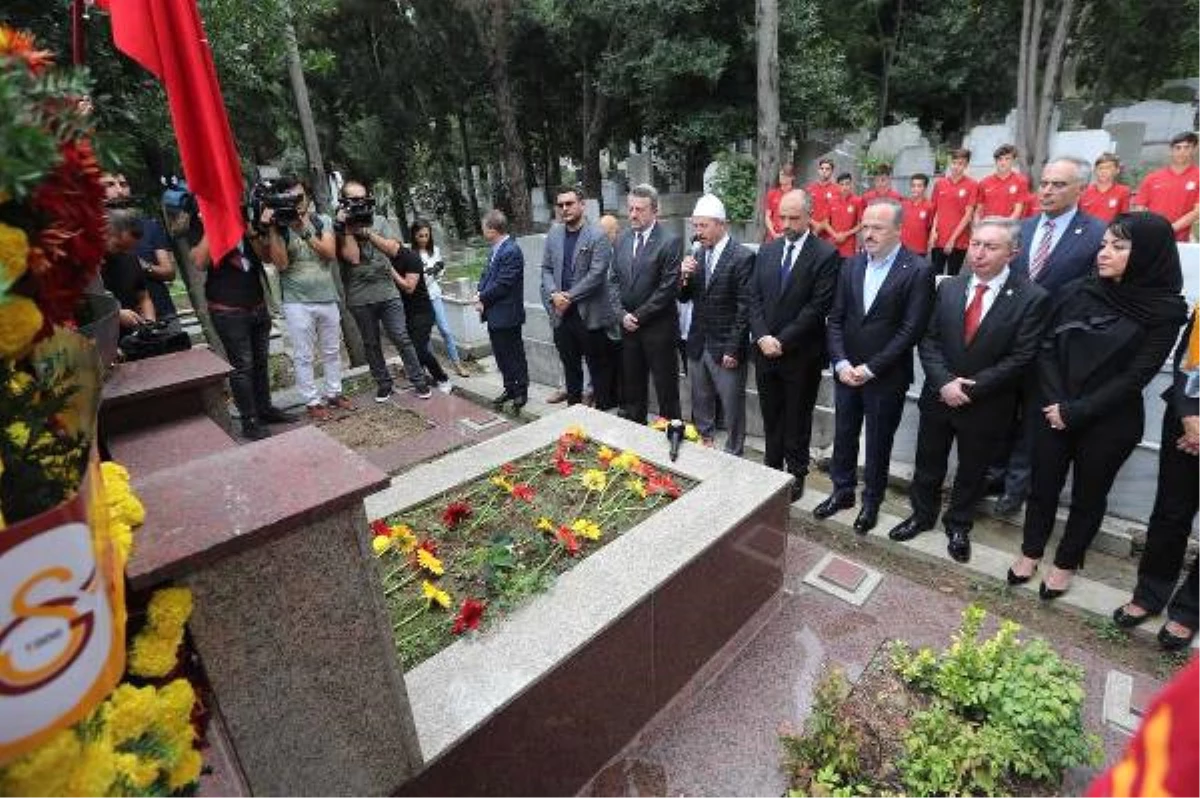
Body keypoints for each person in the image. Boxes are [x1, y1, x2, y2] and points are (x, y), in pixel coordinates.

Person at [1009, 213, 1188, 600]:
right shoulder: (1078, 290)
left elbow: (1135, 377)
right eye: (1104, 244)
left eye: (1118, 247)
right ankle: (1031, 551)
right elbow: (1045, 346)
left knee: (1089, 496)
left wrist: (1076, 412)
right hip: (1052, 410)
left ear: (1147, 255)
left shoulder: (1165, 311)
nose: (1104, 253)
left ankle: (1067, 562)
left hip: (1109, 420)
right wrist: (1057, 403)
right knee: (1042, 487)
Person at [889, 218, 1049, 563]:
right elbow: (928, 340)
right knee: (928, 460)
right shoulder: (948, 287)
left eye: (990, 246)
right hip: (940, 395)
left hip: (987, 402)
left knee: (973, 468)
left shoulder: (1032, 297)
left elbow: (1022, 356)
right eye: (976, 244)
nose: (979, 253)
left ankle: (959, 523)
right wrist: (944, 382)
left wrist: (971, 389)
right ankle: (921, 514)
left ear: (1012, 252)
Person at [991, 157, 1108, 514]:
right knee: (1000, 409)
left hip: (1056, 346)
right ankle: (992, 473)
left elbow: (1095, 292)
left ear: (1081, 190)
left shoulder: (1096, 234)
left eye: (1058, 185)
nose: (1047, 191)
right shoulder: (1020, 229)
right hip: (1008, 340)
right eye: (1044, 183)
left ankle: (1016, 486)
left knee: (1034, 420)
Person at [818, 199, 935, 531]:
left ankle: (871, 502)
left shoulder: (917, 270)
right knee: (844, 435)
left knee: (878, 443)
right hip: (845, 372)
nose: (868, 234)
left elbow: (910, 330)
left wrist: (870, 368)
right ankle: (842, 492)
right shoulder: (851, 265)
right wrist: (840, 362)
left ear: (899, 229)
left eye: (877, 228)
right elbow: (836, 319)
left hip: (885, 376)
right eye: (865, 226)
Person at [1112, 306, 1200, 651]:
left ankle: (1191, 609)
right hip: (1187, 424)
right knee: (1170, 513)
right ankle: (1150, 593)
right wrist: (1191, 418)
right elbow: (1186, 361)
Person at [748, 189, 839, 499]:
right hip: (764, 352)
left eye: (793, 218)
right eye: (781, 216)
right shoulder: (768, 251)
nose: (785, 223)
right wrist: (762, 336)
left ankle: (796, 471)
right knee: (770, 414)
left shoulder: (826, 255)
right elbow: (754, 298)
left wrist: (782, 340)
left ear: (809, 217)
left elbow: (817, 307)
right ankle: (771, 467)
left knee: (797, 417)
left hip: (801, 355)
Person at [191, 221, 297, 440]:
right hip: (227, 308)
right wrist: (216, 222)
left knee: (260, 362)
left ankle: (264, 409)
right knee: (242, 366)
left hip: (256, 303)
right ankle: (249, 420)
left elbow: (265, 258)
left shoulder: (246, 221)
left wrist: (253, 233)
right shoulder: (203, 221)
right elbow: (200, 262)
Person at [259, 176, 350, 421]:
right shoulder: (280, 227)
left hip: (327, 296)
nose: (297, 202)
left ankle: (334, 392)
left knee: (332, 350)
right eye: (291, 198)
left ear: (307, 197)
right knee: (303, 354)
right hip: (296, 301)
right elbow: (280, 264)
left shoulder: (323, 220)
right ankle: (311, 400)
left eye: (300, 196)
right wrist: (272, 229)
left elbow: (329, 253)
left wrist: (303, 229)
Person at [334, 181, 432, 402]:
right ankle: (384, 384)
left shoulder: (379, 221)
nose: (359, 204)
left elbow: (394, 250)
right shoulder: (339, 227)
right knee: (371, 343)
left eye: (362, 198)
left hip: (387, 291)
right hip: (359, 295)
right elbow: (353, 258)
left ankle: (419, 380)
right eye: (353, 200)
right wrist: (347, 229)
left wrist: (367, 231)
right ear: (343, 202)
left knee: (401, 336)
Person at [679, 194, 754, 455]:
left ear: (721, 225)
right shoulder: (697, 254)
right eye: (695, 226)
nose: (698, 233)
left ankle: (734, 451)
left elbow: (745, 308)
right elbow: (684, 297)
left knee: (732, 404)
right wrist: (684, 277)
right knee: (700, 400)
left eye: (704, 226)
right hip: (698, 341)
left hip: (726, 345)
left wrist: (734, 349)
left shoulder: (742, 257)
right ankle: (705, 441)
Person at [606, 184, 682, 423]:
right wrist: (621, 315)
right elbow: (613, 281)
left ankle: (671, 437)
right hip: (628, 331)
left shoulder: (670, 242)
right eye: (630, 209)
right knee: (633, 390)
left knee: (666, 391)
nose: (633, 215)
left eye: (639, 209)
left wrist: (636, 317)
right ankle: (637, 437)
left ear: (654, 211)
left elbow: (666, 290)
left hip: (658, 331)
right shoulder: (622, 239)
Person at [540, 186, 617, 408]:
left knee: (598, 369)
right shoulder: (554, 233)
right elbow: (545, 268)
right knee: (570, 367)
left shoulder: (597, 235)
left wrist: (568, 296)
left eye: (569, 203)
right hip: (561, 315)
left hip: (588, 314)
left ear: (582, 205)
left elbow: (597, 274)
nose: (565, 209)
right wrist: (554, 294)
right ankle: (573, 414)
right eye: (561, 205)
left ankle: (602, 413)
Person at [101, 171, 179, 320]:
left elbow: (167, 274)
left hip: (159, 311)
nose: (119, 190)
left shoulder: (149, 227)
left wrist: (143, 265)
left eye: (123, 185)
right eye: (110, 185)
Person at [475, 210, 528, 410]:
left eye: (484, 228)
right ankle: (510, 388)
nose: (482, 231)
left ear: (492, 229)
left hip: (508, 313)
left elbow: (503, 284)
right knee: (500, 354)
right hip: (493, 313)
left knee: (514, 354)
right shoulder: (495, 249)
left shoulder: (511, 250)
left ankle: (521, 391)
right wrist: (479, 293)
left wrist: (482, 297)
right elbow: (485, 276)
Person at [412, 220, 471, 378]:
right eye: (420, 236)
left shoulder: (435, 250)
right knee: (426, 335)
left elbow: (440, 272)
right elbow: (417, 280)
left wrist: (438, 270)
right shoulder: (411, 254)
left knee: (445, 330)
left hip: (435, 295)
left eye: (426, 235)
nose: (424, 238)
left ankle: (457, 363)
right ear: (414, 236)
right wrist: (428, 273)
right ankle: (433, 367)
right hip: (421, 299)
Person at [394, 244, 452, 394]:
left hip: (423, 312)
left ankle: (442, 378)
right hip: (407, 314)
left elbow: (409, 286)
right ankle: (422, 377)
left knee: (419, 349)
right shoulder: (395, 261)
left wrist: (391, 271)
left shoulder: (411, 259)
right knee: (412, 348)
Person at [1133, 130, 1200, 241]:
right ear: (1171, 151)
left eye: (1187, 147)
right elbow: (1139, 209)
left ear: (1194, 149)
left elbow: (1198, 211)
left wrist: (1170, 229)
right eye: (1178, 148)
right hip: (1151, 237)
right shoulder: (1152, 178)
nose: (1182, 152)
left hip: (1180, 241)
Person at [101, 208, 156, 331]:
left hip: (131, 335)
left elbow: (143, 297)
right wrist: (116, 314)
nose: (124, 253)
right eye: (118, 246)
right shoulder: (86, 265)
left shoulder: (130, 258)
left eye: (129, 248)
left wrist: (150, 322)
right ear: (104, 232)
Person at [929, 148, 979, 276]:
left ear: (966, 165)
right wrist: (933, 231)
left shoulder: (972, 185)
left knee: (952, 277)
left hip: (959, 242)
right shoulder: (940, 183)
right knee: (935, 275)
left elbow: (968, 216)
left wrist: (952, 240)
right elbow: (936, 211)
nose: (956, 166)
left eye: (961, 163)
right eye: (954, 162)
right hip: (939, 239)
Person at [975, 144, 1028, 221]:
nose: (1003, 162)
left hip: (1008, 228)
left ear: (1013, 161)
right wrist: (977, 227)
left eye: (1007, 159)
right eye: (1000, 159)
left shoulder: (1021, 181)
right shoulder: (984, 182)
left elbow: (1017, 211)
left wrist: (1003, 229)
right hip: (987, 227)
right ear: (996, 161)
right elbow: (978, 210)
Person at [1079, 152, 1131, 224]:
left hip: (1110, 233)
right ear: (1095, 170)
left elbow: (1124, 218)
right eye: (1100, 168)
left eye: (1108, 168)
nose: (1103, 171)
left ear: (1117, 170)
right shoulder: (1084, 191)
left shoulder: (1123, 191)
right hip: (1086, 232)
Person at [827, 173, 864, 258]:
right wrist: (834, 234)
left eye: (847, 184)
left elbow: (861, 224)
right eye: (842, 184)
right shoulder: (832, 200)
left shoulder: (858, 201)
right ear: (837, 186)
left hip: (849, 245)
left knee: (847, 269)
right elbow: (826, 222)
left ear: (851, 185)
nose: (845, 187)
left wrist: (845, 234)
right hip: (833, 243)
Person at [900, 173, 934, 256]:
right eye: (913, 186)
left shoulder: (930, 206)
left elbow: (931, 228)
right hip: (902, 248)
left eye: (919, 186)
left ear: (925, 188)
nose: (915, 189)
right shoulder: (903, 204)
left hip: (920, 250)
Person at [806, 158, 838, 240]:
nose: (824, 171)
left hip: (828, 233)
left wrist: (822, 226)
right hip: (811, 230)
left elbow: (836, 213)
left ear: (832, 171)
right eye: (822, 168)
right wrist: (814, 224)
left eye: (827, 169)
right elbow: (805, 209)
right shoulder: (810, 188)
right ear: (818, 170)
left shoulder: (837, 190)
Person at [764, 163, 796, 240]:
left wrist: (785, 234)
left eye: (785, 175)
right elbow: (768, 216)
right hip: (772, 236)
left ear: (792, 177)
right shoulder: (772, 193)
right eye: (781, 175)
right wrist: (773, 233)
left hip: (789, 235)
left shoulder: (796, 194)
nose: (782, 177)